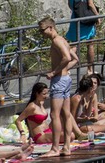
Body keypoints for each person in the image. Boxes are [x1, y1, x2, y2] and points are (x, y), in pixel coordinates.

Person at [38, 17, 78, 157]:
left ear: (50, 27)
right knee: (66, 115)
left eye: (42, 30)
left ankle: (55, 148)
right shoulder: (62, 40)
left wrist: (54, 72)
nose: (41, 33)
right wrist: (64, 71)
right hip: (66, 79)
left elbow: (67, 57)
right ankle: (66, 147)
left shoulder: (56, 41)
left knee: (55, 115)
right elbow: (75, 59)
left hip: (59, 80)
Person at [66, 0, 98, 74]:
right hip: (87, 18)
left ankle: (67, 65)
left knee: (74, 44)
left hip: (76, 17)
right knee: (90, 43)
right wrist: (97, 16)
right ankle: (90, 69)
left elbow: (70, 4)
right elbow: (90, 4)